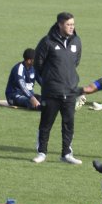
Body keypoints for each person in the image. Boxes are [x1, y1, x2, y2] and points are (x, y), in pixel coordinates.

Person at [32, 12, 83, 164]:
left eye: (73, 24)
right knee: (46, 123)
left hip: (70, 91)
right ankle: (42, 152)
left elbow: (76, 62)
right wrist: (49, 81)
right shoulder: (47, 42)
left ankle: (66, 153)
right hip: (52, 91)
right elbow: (38, 65)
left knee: (68, 124)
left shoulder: (77, 41)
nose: (71, 27)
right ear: (60, 25)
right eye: (68, 24)